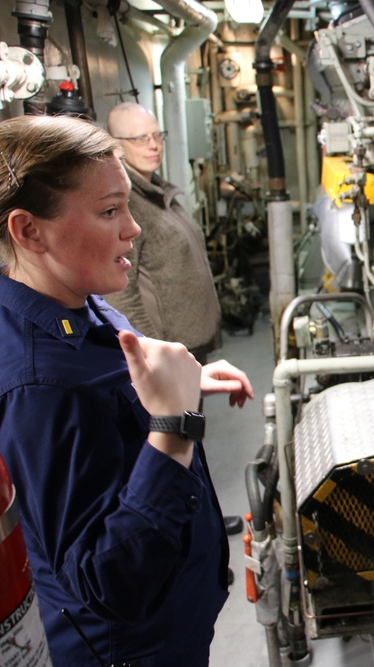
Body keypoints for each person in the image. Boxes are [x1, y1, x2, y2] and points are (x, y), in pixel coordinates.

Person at [0, 114, 253, 666]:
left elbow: (108, 382)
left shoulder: (70, 301)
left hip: (169, 624)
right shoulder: (33, 387)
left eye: (125, 205)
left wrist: (185, 380)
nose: (133, 228)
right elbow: (109, 581)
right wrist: (175, 425)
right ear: (28, 231)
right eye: (108, 211)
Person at [105, 101, 243, 536]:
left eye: (156, 135)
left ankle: (198, 525)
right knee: (170, 451)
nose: (152, 145)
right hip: (166, 356)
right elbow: (123, 289)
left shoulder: (156, 189)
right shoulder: (130, 201)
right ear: (115, 145)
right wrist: (152, 353)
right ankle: (184, 537)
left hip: (187, 353)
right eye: (139, 138)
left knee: (191, 445)